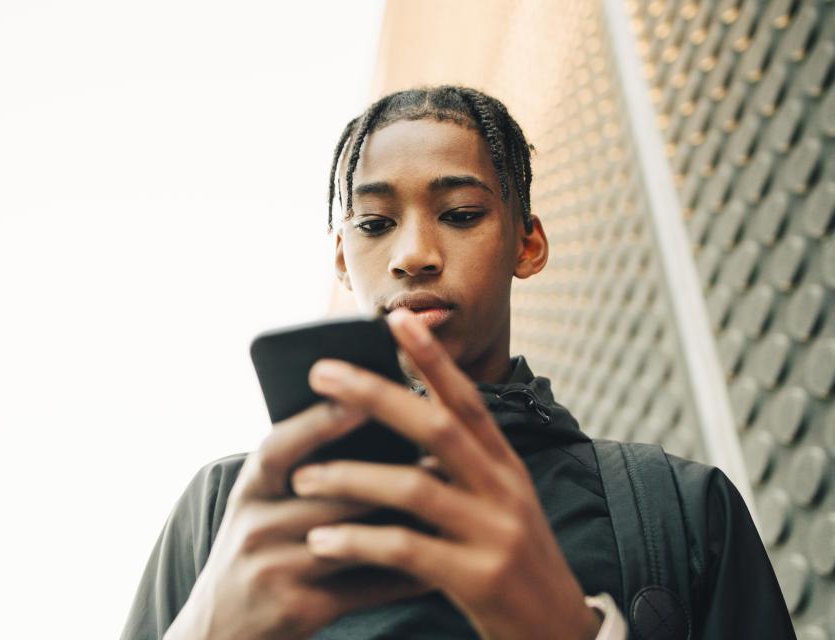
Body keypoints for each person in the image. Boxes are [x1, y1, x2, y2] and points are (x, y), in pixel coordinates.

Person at [120, 86, 795, 639]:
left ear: (527, 244)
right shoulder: (225, 514)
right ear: (341, 262)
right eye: (375, 224)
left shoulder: (679, 509)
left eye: (462, 213)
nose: (413, 253)